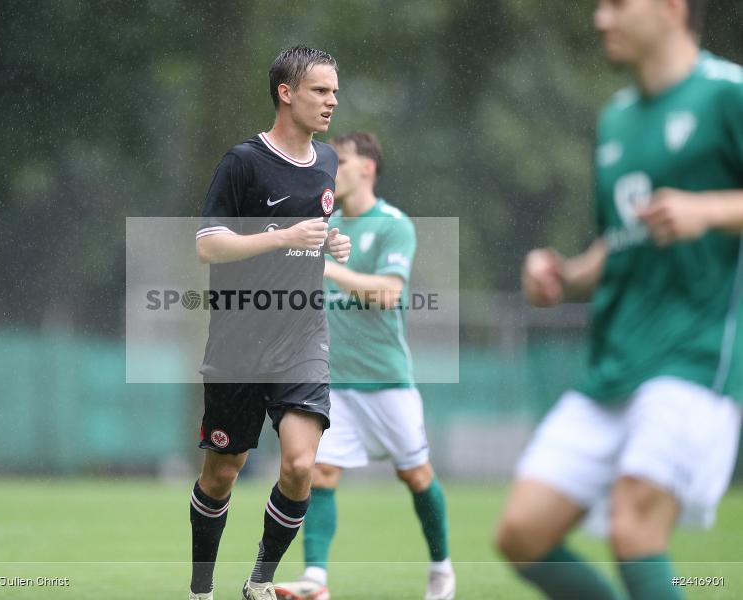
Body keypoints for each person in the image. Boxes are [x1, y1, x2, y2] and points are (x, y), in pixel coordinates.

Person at [495, 1, 743, 599]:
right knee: (522, 534)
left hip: (695, 359)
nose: (601, 19)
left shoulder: (727, 94)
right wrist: (567, 276)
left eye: (616, 4)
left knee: (634, 531)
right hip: (615, 364)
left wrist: (706, 210)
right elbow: (625, 239)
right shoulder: (618, 119)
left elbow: (693, 214)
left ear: (671, 8)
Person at [189, 45, 351, 600]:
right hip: (239, 342)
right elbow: (209, 246)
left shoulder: (329, 162)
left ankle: (260, 582)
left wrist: (331, 244)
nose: (331, 101)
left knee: (301, 464)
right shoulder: (242, 162)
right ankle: (201, 588)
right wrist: (284, 236)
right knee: (223, 472)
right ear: (287, 93)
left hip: (303, 336)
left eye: (334, 91)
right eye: (320, 91)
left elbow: (308, 241)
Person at [275, 132, 456, 600]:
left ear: (368, 168)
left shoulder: (394, 225)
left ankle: (441, 568)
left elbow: (388, 294)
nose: (333, 167)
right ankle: (315, 581)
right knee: (322, 473)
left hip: (387, 379)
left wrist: (328, 269)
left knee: (416, 475)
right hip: (332, 379)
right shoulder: (323, 224)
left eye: (344, 160)